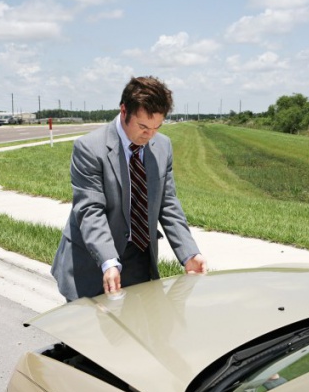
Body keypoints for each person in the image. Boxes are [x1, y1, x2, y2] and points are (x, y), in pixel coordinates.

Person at [51, 76, 207, 301]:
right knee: (90, 334)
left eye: (157, 127)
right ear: (124, 111)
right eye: (143, 126)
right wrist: (108, 261)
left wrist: (189, 252)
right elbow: (90, 211)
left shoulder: (162, 146)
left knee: (140, 331)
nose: (150, 135)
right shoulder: (89, 148)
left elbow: (168, 203)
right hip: (93, 260)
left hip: (139, 257)